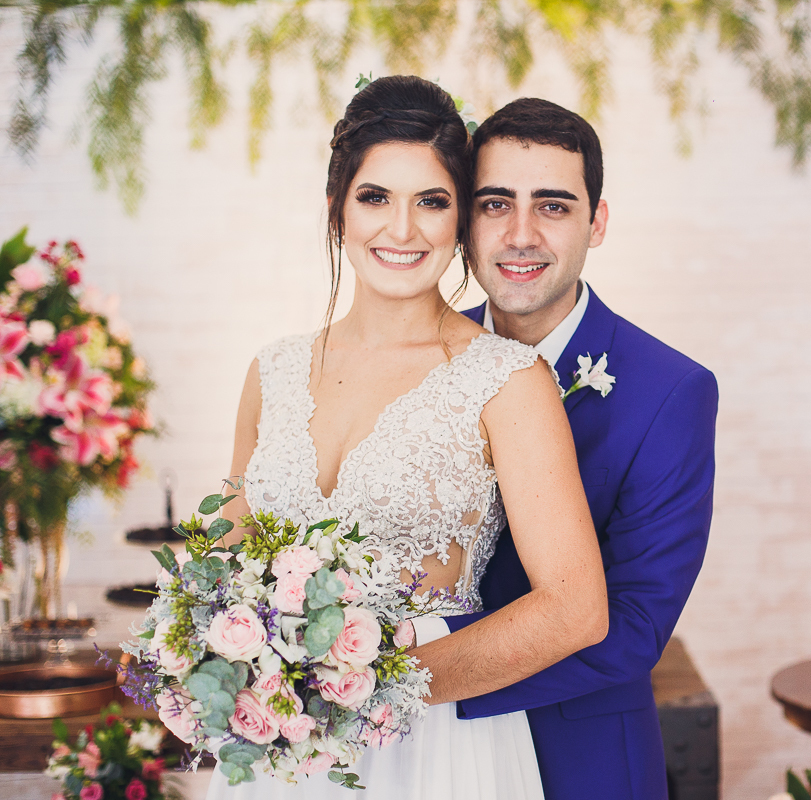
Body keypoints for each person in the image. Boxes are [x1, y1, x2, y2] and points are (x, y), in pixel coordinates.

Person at [208, 76, 608, 800]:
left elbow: (574, 608)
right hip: (282, 750)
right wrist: (207, 656)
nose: (402, 229)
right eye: (375, 198)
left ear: (460, 223)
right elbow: (227, 557)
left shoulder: (507, 380)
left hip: (436, 750)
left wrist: (371, 682)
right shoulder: (273, 370)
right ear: (337, 209)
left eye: (432, 202)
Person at [408, 99, 719, 800]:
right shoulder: (411, 360)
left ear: (596, 222)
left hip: (579, 763)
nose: (521, 235)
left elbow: (636, 626)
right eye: (495, 204)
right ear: (464, 219)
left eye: (552, 206)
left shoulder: (670, 391)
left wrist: (404, 675)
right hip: (414, 759)